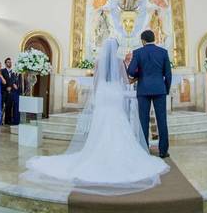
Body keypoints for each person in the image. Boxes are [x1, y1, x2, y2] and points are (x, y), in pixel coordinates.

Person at [24, 38, 169, 194]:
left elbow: (95, 82)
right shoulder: (120, 61)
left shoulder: (99, 61)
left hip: (103, 94)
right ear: (116, 49)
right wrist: (137, 77)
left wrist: (97, 96)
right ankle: (125, 152)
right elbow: (127, 81)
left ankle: (97, 151)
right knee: (117, 121)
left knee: (101, 123)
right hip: (115, 94)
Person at [127, 30, 172, 158]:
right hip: (160, 90)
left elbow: (130, 70)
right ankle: (163, 151)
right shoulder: (163, 52)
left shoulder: (138, 52)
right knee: (162, 120)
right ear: (154, 39)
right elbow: (168, 74)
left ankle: (144, 149)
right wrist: (166, 89)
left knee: (143, 120)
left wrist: (139, 75)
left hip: (143, 90)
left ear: (143, 41)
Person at [2, 57, 21, 125]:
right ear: (5, 63)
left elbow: (15, 81)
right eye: (8, 62)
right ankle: (7, 121)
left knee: (14, 106)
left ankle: (12, 120)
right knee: (8, 107)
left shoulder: (14, 72)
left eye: (10, 62)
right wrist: (6, 87)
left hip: (13, 92)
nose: (9, 63)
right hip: (6, 91)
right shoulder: (2, 71)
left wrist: (15, 86)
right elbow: (2, 81)